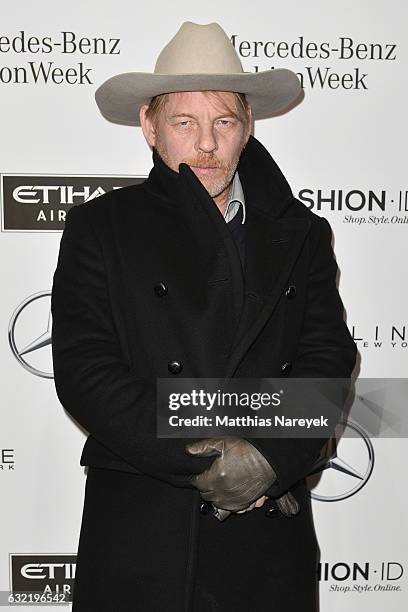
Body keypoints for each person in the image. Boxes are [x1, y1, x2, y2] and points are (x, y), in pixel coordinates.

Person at [51, 21, 356, 612]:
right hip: (144, 526)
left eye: (223, 122)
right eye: (184, 123)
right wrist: (212, 460)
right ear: (150, 126)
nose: (207, 144)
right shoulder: (102, 228)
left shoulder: (301, 235)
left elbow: (327, 358)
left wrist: (269, 460)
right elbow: (88, 374)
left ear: (247, 127)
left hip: (266, 530)